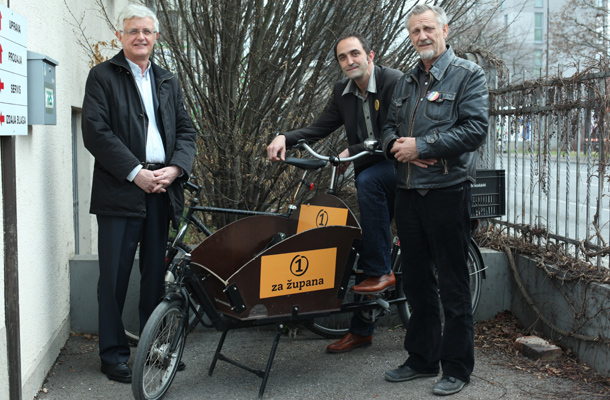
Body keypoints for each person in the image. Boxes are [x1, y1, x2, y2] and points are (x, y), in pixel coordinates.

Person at [82, 4, 196, 384]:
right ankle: (113, 355)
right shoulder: (102, 76)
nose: (140, 37)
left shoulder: (168, 80)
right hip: (120, 190)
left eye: (147, 31)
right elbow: (95, 132)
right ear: (120, 36)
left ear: (156, 37)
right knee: (113, 277)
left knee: (154, 276)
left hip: (161, 189)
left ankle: (154, 347)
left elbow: (186, 132)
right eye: (133, 31)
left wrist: (176, 168)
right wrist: (135, 173)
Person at [267, 33, 402, 353]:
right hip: (369, 173)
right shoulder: (342, 93)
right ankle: (362, 329)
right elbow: (318, 128)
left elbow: (393, 133)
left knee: (368, 183)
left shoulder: (393, 82)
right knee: (361, 239)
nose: (349, 61)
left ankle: (383, 271)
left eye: (355, 54)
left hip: (398, 170)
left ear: (370, 54)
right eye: (342, 57)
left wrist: (350, 150)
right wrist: (285, 136)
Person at [380, 4, 488, 396]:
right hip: (408, 194)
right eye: (414, 31)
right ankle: (422, 359)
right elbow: (388, 127)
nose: (421, 36)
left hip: (447, 192)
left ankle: (456, 368)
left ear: (445, 29)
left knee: (453, 284)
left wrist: (424, 145)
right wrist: (397, 145)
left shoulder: (468, 75)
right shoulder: (407, 81)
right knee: (418, 283)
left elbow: (475, 129)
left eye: (428, 28)